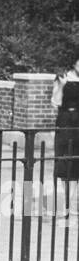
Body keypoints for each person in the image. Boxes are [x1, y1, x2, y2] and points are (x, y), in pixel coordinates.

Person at [51, 56, 79, 215]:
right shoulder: (63, 78)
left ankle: (71, 203)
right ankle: (66, 204)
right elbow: (55, 102)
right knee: (64, 162)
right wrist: (61, 86)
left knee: (76, 164)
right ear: (74, 63)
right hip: (65, 122)